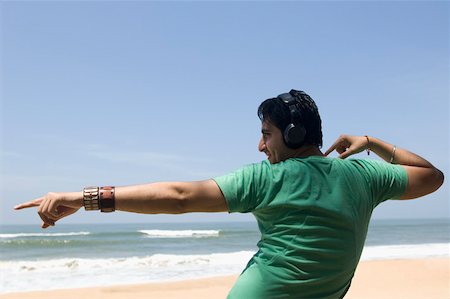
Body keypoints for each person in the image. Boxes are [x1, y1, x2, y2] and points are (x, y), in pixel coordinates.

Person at [15, 89, 444, 299]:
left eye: (266, 135)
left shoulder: (269, 179)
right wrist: (371, 141)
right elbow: (431, 176)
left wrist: (82, 197)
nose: (260, 147)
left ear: (292, 134)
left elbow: (180, 196)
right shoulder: (365, 177)